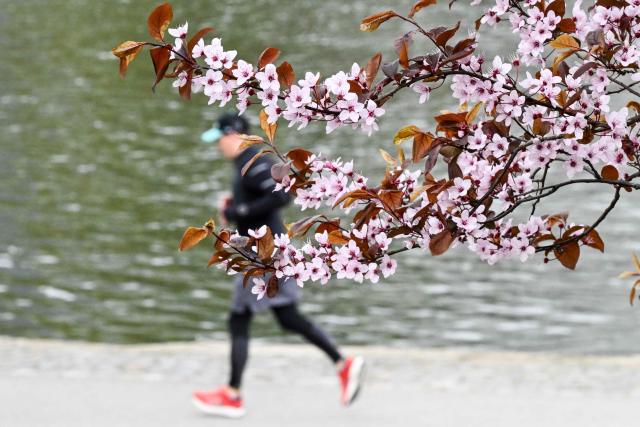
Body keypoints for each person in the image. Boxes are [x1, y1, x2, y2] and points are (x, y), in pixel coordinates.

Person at [192, 113, 364, 418]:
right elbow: (257, 200)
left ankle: (232, 395)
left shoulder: (253, 162)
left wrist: (238, 209)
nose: (218, 145)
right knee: (286, 317)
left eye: (220, 138)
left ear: (233, 135)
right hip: (269, 251)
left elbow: (281, 194)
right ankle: (343, 363)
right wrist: (235, 207)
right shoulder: (246, 162)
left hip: (264, 254)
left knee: (239, 318)